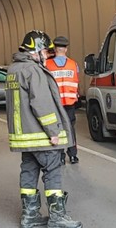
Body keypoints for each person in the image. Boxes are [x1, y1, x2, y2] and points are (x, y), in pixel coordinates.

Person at [6, 30, 82, 228]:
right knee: (53, 170)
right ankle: (58, 217)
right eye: (46, 52)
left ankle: (29, 216)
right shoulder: (33, 71)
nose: (48, 55)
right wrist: (54, 131)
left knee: (29, 171)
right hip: (40, 135)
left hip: (24, 136)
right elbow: (41, 103)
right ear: (37, 51)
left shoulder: (13, 70)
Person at [46, 36, 80, 165]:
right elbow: (77, 82)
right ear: (66, 49)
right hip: (70, 103)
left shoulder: (47, 64)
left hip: (55, 103)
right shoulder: (73, 64)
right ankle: (72, 156)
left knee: (58, 129)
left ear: (55, 49)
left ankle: (60, 156)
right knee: (70, 128)